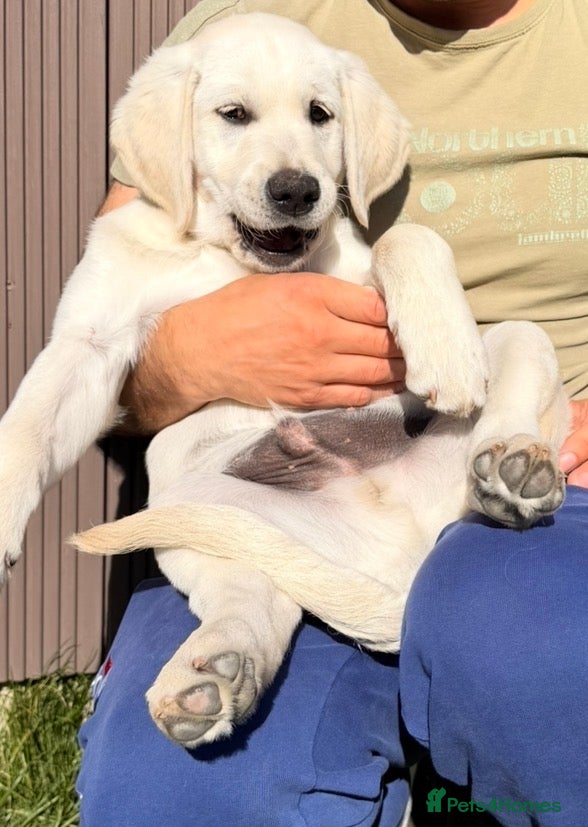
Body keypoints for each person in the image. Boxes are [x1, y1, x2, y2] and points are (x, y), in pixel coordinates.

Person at [76, 1, 588, 824]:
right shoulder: (255, 25)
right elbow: (100, 346)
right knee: (179, 793)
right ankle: (251, 616)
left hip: (532, 471)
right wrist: (189, 356)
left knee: (545, 679)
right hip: (275, 471)